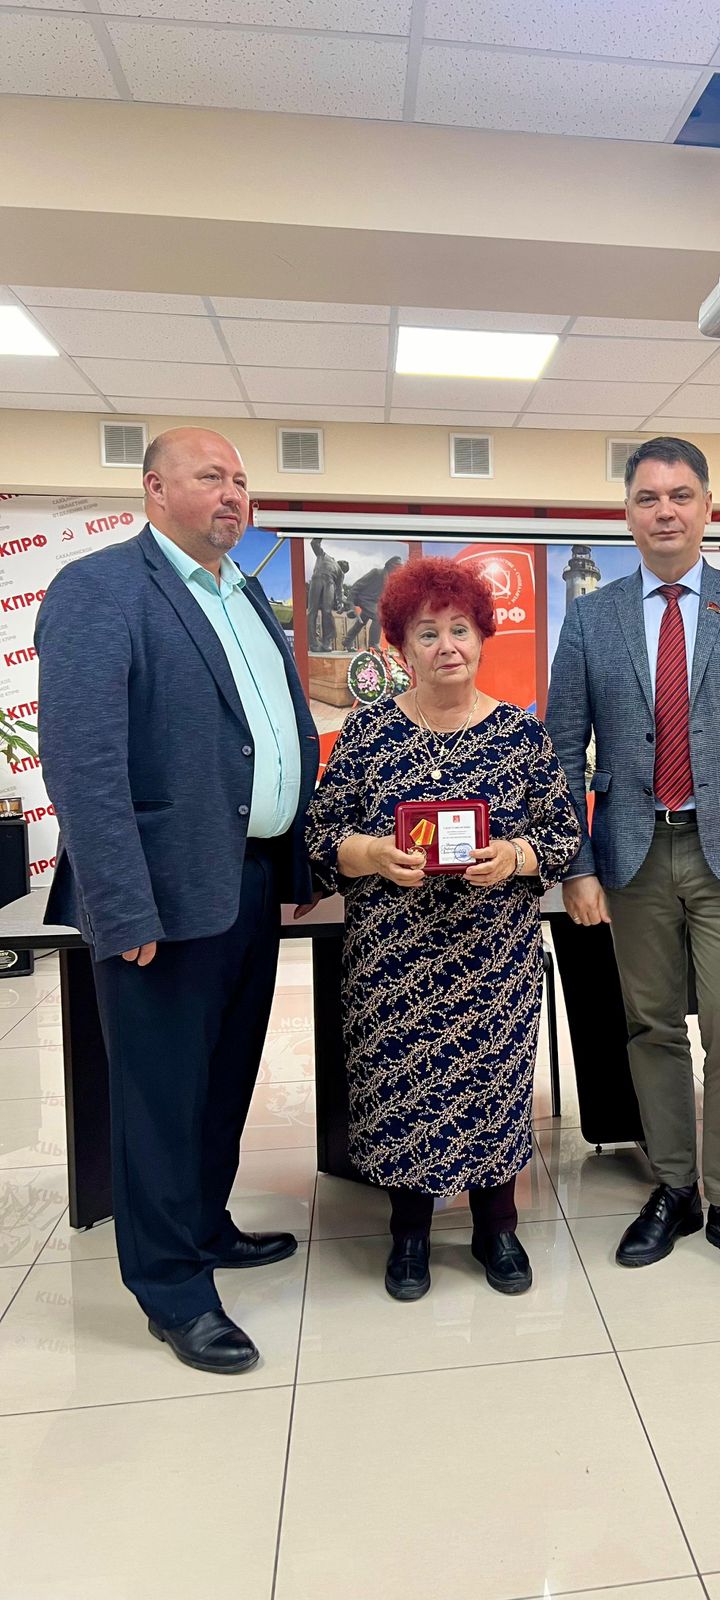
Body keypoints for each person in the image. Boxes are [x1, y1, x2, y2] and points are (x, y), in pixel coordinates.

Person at [35, 428, 321, 1373]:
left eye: (240, 480)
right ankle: (171, 1290)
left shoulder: (244, 593)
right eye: (211, 477)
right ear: (155, 490)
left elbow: (265, 734)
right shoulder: (100, 589)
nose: (234, 493)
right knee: (158, 1098)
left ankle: (203, 1224)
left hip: (248, 879)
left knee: (224, 1078)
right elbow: (82, 762)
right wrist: (121, 907)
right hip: (157, 897)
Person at [545, 436, 720, 1290]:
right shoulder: (591, 619)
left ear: (707, 508)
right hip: (632, 854)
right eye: (648, 498)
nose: (665, 511)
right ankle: (674, 1187)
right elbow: (561, 752)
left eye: (680, 495)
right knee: (651, 1027)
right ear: (627, 515)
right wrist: (576, 866)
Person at [305, 556, 580, 1300]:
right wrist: (373, 854)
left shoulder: (522, 737)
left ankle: (497, 1228)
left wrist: (515, 856)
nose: (447, 645)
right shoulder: (367, 733)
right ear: (401, 646)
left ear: (483, 637)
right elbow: (322, 836)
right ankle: (409, 1235)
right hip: (392, 961)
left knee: (494, 1087)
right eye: (427, 633)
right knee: (401, 1089)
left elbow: (562, 835)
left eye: (460, 629)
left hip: (494, 959)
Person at [343, 554, 404, 651]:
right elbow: (358, 584)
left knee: (361, 622)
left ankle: (347, 641)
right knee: (378, 617)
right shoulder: (377, 572)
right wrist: (350, 600)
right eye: (397, 566)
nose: (399, 569)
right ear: (390, 565)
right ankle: (373, 644)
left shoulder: (391, 579)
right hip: (364, 599)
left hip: (374, 603)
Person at [307, 537, 346, 652]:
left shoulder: (340, 572)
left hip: (328, 583)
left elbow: (339, 590)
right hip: (320, 580)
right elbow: (314, 544)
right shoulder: (324, 555)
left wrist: (340, 603)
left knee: (324, 612)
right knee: (314, 611)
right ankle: (315, 643)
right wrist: (320, 534)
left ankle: (325, 642)